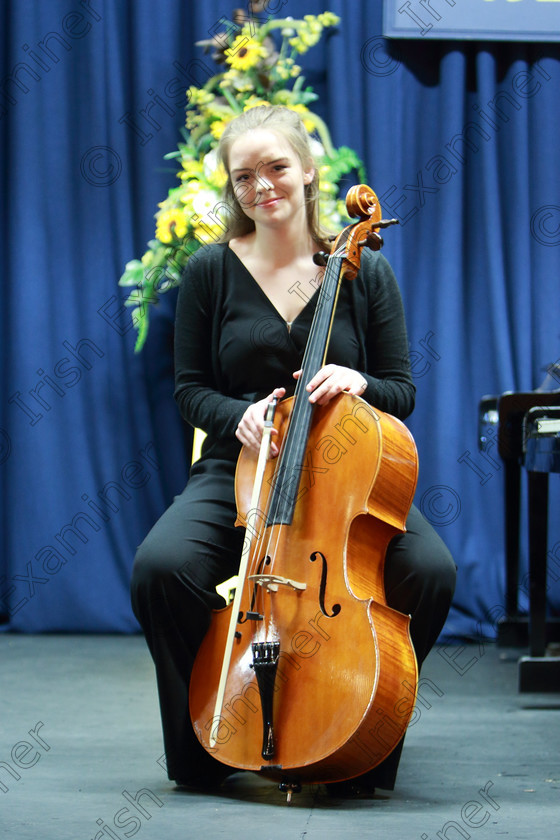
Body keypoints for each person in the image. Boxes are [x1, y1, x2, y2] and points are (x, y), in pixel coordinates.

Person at [130, 105, 456, 797]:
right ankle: (205, 748)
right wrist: (239, 415)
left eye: (276, 167)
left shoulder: (361, 270)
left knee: (429, 570)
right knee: (162, 568)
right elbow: (189, 390)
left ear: (307, 171)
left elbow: (402, 390)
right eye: (243, 176)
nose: (262, 186)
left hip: (345, 475)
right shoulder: (209, 271)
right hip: (240, 468)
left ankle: (362, 739)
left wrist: (360, 379)